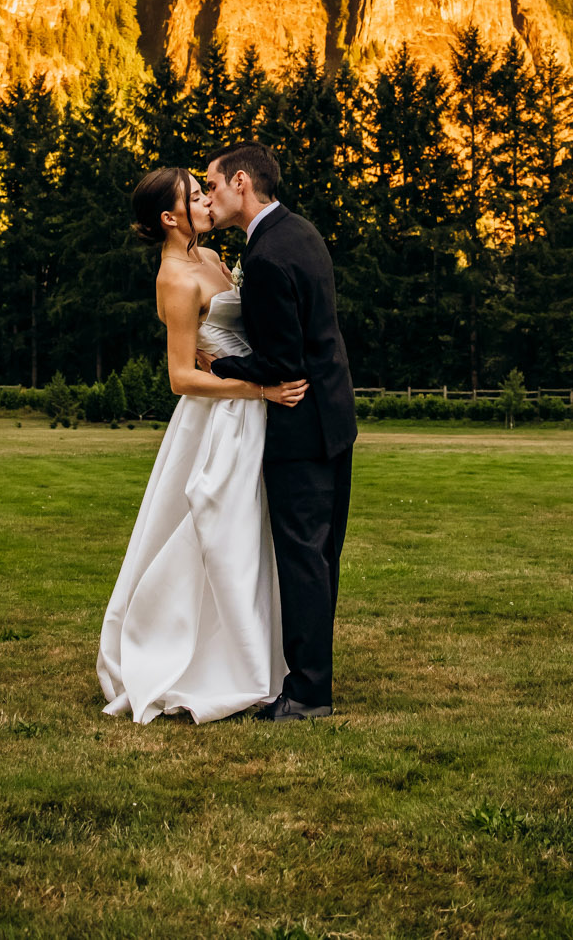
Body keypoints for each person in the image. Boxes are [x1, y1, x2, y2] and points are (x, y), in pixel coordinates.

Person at [95, 167, 309, 723]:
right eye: (194, 197)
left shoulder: (214, 261)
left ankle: (257, 656)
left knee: (253, 536)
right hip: (219, 418)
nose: (207, 201)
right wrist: (258, 386)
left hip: (253, 407)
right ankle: (207, 661)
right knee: (218, 532)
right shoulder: (175, 277)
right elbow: (181, 377)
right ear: (169, 218)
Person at [201, 142, 357, 721]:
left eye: (212, 186)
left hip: (299, 428)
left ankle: (310, 692)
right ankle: (312, 673)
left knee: (301, 557)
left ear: (241, 183)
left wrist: (218, 363)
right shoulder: (302, 231)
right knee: (321, 556)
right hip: (335, 420)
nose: (209, 198)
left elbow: (281, 363)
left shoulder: (265, 257)